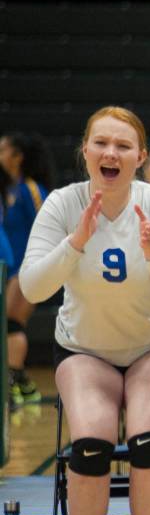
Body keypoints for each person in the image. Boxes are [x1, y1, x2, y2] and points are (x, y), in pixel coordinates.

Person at [20, 107, 150, 515]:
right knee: (90, 445)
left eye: (122, 145)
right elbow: (33, 286)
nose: (110, 153)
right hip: (86, 350)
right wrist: (76, 242)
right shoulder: (63, 204)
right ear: (86, 151)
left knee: (149, 442)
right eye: (100, 143)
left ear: (140, 157)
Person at [0, 131, 56, 406]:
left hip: (25, 268)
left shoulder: (31, 189)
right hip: (8, 268)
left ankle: (15, 378)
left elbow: (48, 227)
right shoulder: (7, 189)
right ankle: (19, 380)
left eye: (2, 150)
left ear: (16, 156)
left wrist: (37, 266)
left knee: (12, 322)